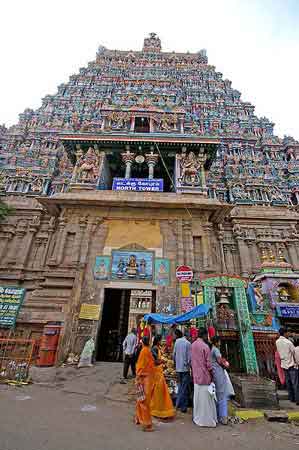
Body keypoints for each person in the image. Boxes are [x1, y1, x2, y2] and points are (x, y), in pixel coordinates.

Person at [191, 328, 217, 428]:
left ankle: (197, 417)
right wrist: (212, 375)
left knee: (198, 399)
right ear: (205, 335)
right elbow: (209, 365)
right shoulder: (205, 347)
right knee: (206, 400)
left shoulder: (193, 345)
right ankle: (206, 420)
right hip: (205, 377)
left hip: (196, 376)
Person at [211, 335, 234, 425]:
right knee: (222, 394)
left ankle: (218, 415)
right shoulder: (216, 350)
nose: (220, 343)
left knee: (218, 394)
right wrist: (226, 365)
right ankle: (223, 417)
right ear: (216, 342)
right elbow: (220, 361)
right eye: (219, 341)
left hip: (216, 374)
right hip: (218, 374)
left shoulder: (212, 349)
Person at [150, 335, 175, 420]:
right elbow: (155, 361)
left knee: (160, 392)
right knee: (159, 392)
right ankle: (156, 410)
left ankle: (159, 410)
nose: (162, 342)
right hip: (157, 372)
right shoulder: (154, 348)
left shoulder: (157, 348)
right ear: (158, 341)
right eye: (161, 340)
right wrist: (163, 360)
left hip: (159, 371)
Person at [135, 336, 155, 432]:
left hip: (144, 379)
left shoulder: (144, 351)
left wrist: (138, 376)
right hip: (146, 378)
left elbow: (141, 366)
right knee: (142, 400)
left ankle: (144, 422)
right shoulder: (147, 351)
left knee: (142, 400)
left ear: (142, 342)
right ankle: (142, 420)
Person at [276, 327, 298, 404]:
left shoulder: (277, 342)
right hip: (291, 364)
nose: (288, 334)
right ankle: (297, 399)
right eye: (287, 333)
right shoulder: (288, 342)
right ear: (285, 333)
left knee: (288, 382)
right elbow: (294, 352)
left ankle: (291, 398)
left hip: (284, 364)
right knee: (294, 383)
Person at [173, 329, 191, 413]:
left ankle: (178, 405)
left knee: (180, 386)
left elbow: (174, 355)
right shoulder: (188, 343)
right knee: (184, 388)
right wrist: (188, 365)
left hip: (178, 368)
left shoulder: (176, 342)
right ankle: (181, 406)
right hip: (185, 369)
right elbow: (189, 358)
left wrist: (175, 364)